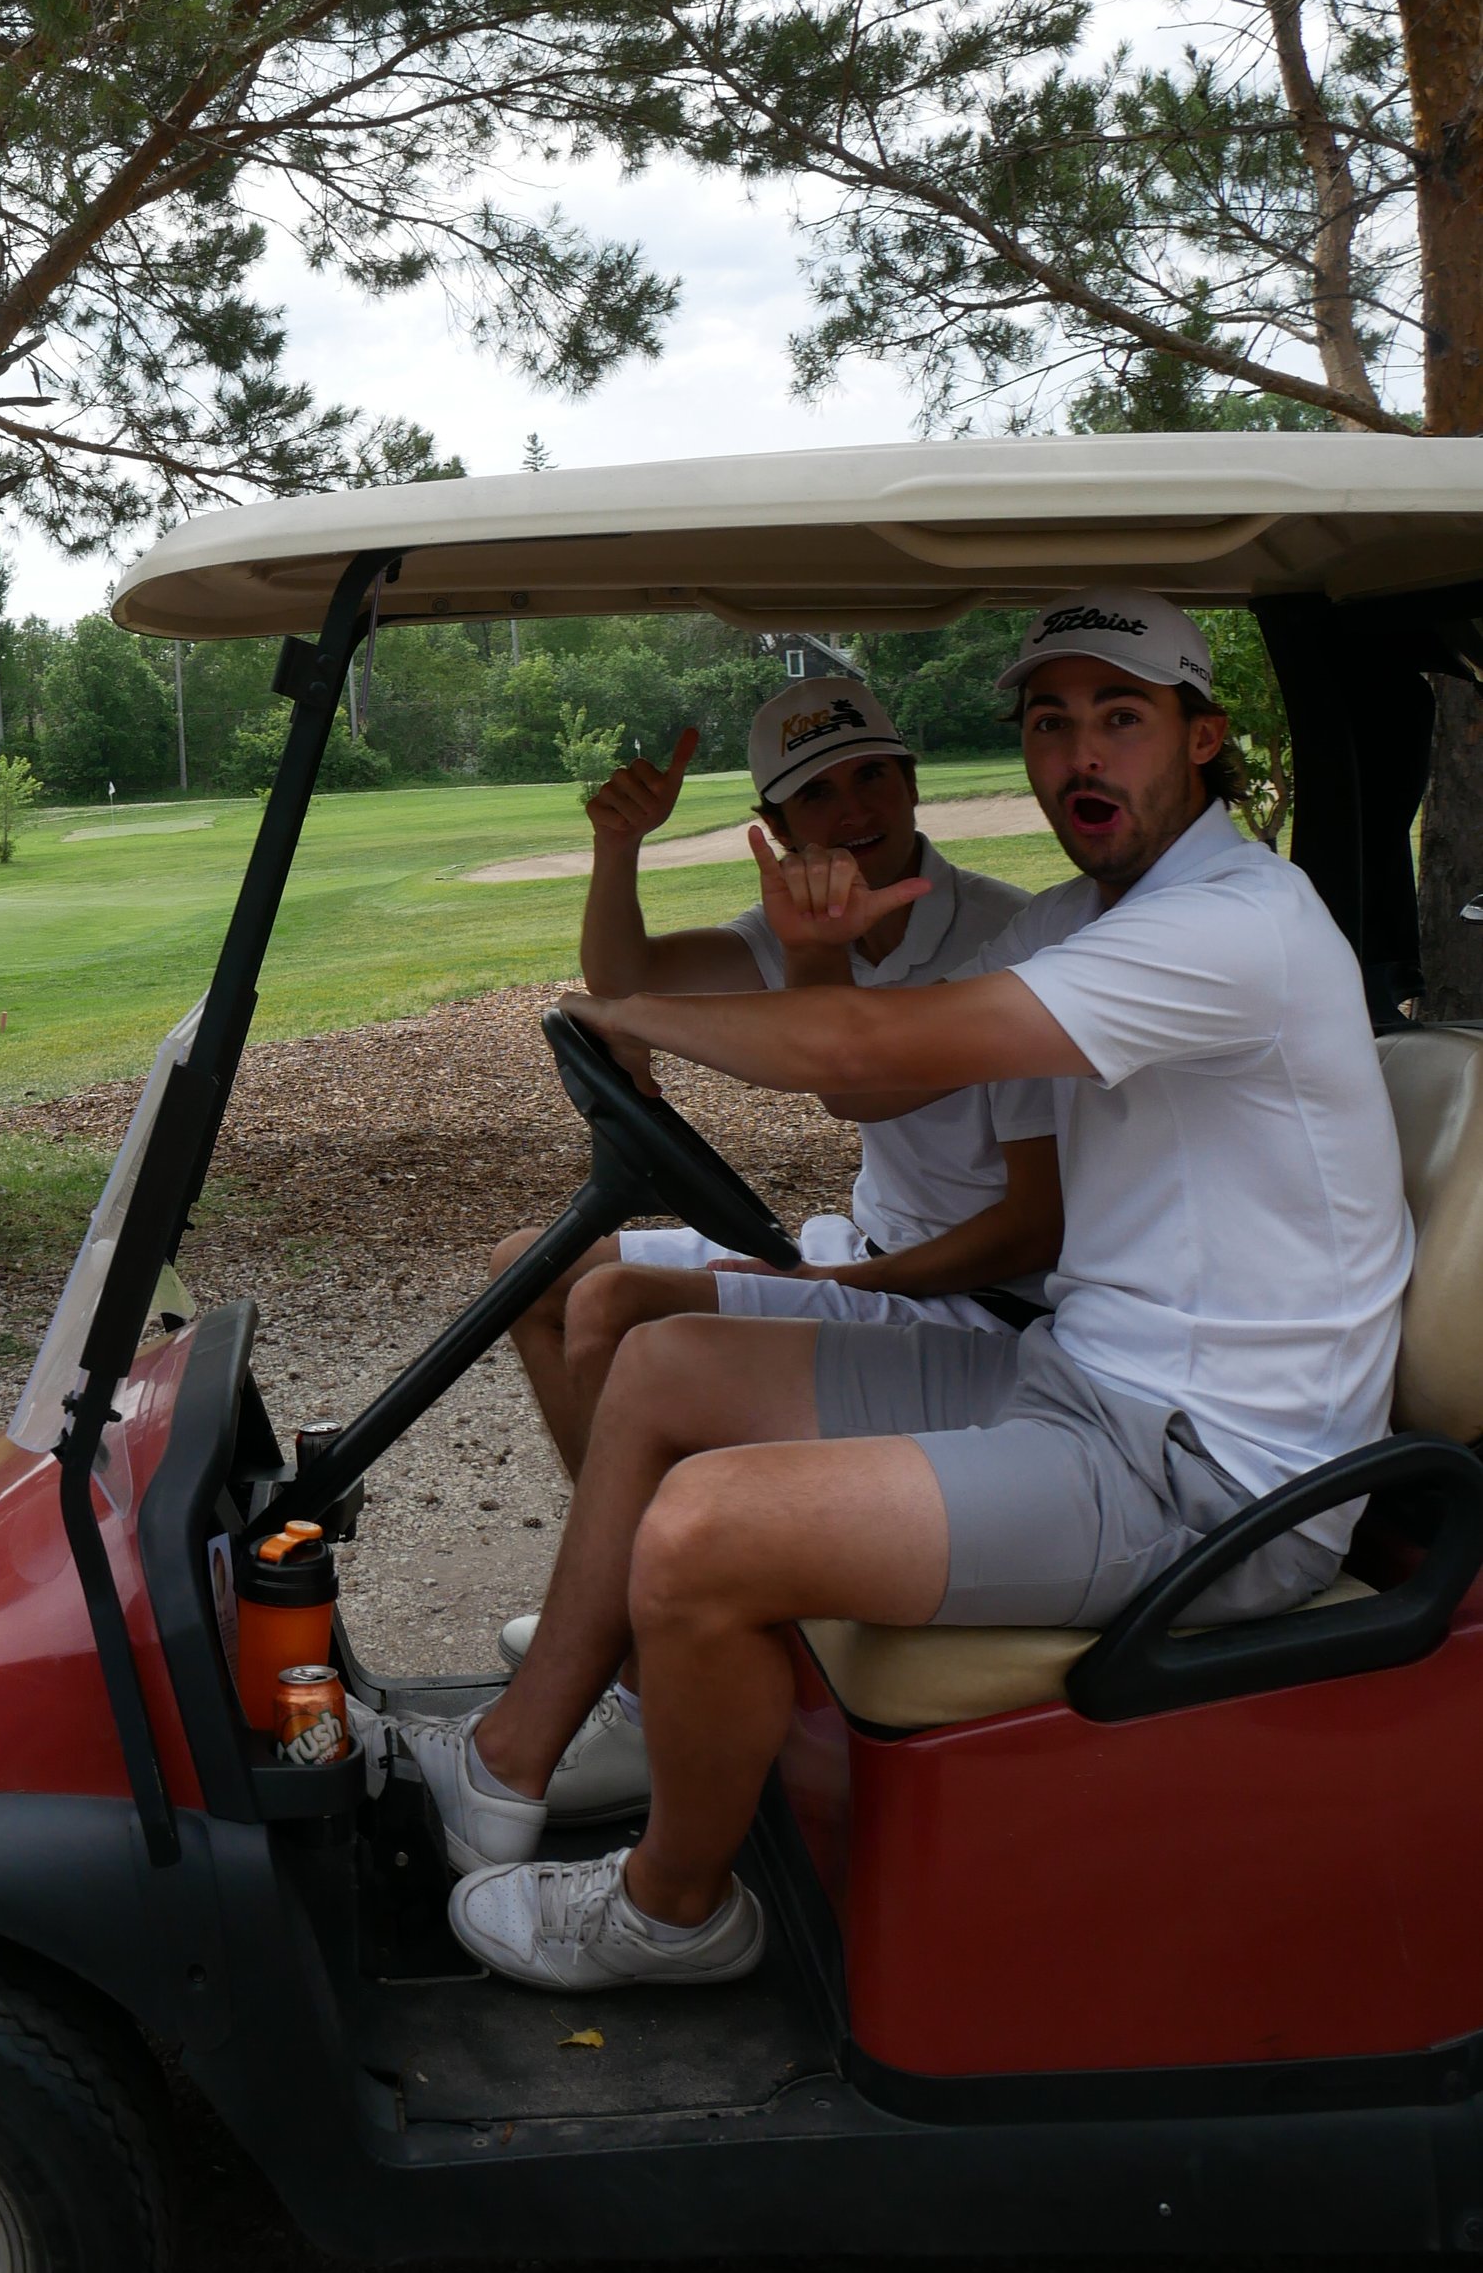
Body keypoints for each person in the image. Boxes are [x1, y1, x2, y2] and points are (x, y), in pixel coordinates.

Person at [394, 591, 1412, 1997]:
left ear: (1204, 737)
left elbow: (874, 1035)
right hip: (1083, 1384)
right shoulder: (1080, 919)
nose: (1080, 758)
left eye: (1121, 718)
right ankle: (512, 1762)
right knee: (662, 1370)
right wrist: (793, 959)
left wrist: (621, 1015)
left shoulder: (1232, 928)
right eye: (1050, 725)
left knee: (702, 1533)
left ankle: (674, 1909)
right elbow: (869, 1076)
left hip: (1216, 1478)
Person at [496, 683, 1053, 1488]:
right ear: (779, 827)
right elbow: (624, 975)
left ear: (912, 783)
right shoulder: (797, 929)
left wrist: (833, 1281)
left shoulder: (1007, 938)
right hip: (877, 1246)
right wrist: (618, 846)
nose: (855, 809)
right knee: (530, 1265)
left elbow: (1034, 1228)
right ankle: (621, 1559)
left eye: (872, 776)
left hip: (979, 1297)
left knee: (611, 1305)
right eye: (817, 792)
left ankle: (635, 1580)